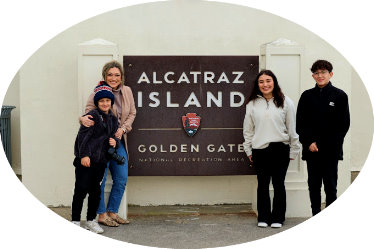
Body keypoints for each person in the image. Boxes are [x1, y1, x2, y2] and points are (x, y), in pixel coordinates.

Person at [80, 60, 136, 227]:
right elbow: (88, 115)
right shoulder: (97, 92)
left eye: (117, 75)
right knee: (100, 180)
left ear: (121, 77)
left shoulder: (127, 91)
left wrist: (123, 129)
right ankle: (102, 215)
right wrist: (82, 119)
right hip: (100, 145)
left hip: (118, 143)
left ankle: (113, 212)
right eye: (110, 74)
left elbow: (132, 113)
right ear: (104, 76)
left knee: (121, 178)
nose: (113, 78)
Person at [243, 70, 300, 228]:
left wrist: (294, 150)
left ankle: (278, 218)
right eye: (261, 82)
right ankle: (263, 217)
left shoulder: (286, 101)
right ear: (257, 85)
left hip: (280, 149)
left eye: (268, 80)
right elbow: (248, 130)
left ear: (274, 82)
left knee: (278, 184)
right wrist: (248, 150)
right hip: (259, 150)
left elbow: (292, 128)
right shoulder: (252, 104)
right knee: (262, 185)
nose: (265, 84)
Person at [296, 60, 350, 216]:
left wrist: (325, 144)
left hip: (331, 151)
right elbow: (300, 124)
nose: (320, 76)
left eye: (323, 72)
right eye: (317, 73)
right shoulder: (306, 96)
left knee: (330, 186)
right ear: (313, 76)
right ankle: (315, 215)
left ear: (330, 74)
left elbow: (343, 126)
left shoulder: (340, 96)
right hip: (312, 150)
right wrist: (309, 142)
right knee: (313, 186)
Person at [72, 84, 120, 233]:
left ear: (111, 102)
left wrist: (115, 143)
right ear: (97, 102)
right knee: (81, 190)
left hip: (100, 162)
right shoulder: (91, 116)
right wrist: (84, 155)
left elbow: (113, 137)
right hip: (86, 162)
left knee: (95, 192)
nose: (105, 103)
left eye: (107, 100)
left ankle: (91, 220)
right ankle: (75, 220)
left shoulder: (113, 119)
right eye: (102, 101)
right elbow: (82, 138)